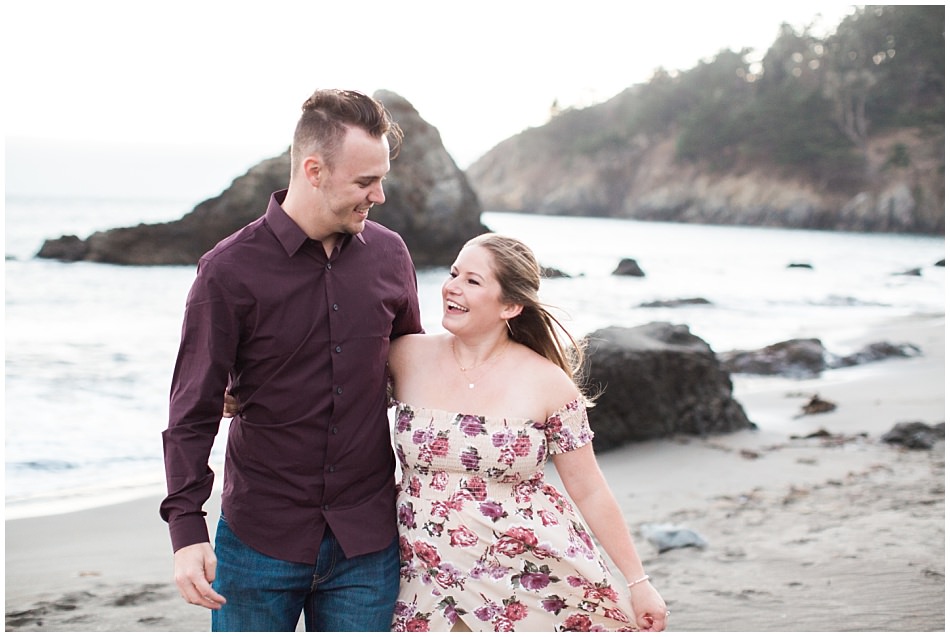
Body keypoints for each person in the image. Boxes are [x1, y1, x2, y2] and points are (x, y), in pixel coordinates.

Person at [160, 89, 423, 632]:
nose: (378, 195)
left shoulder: (391, 255)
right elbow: (192, 410)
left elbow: (414, 370)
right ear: (314, 171)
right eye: (365, 181)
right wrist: (187, 533)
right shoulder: (228, 270)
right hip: (258, 541)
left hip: (367, 544)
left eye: (381, 180)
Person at [386, 233, 669, 632]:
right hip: (421, 571)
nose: (452, 286)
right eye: (453, 273)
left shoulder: (549, 383)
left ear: (510, 306)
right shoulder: (404, 355)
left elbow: (589, 487)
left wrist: (639, 583)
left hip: (524, 574)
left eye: (473, 280)